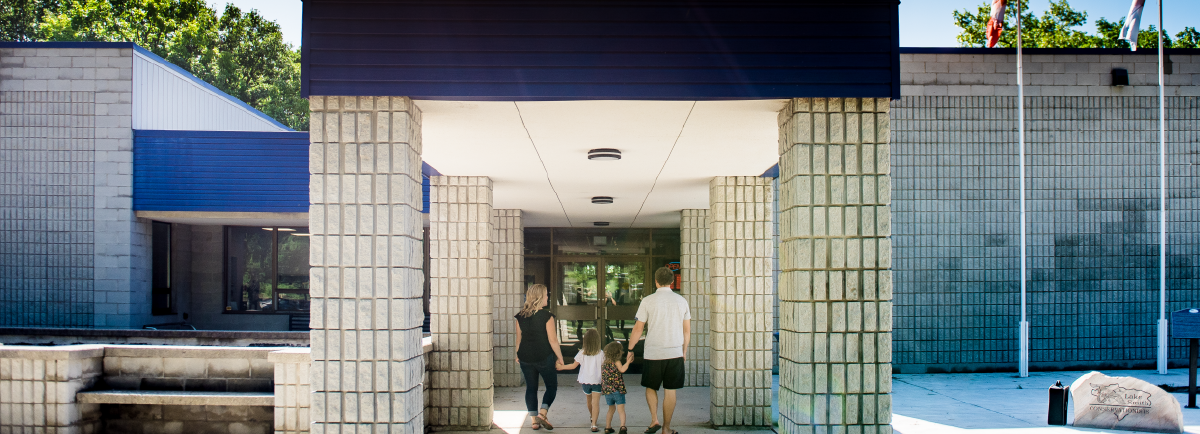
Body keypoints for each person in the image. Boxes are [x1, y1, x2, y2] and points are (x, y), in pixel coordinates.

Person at [627, 267, 690, 434]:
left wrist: (630, 349)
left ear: (656, 281)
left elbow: (638, 328)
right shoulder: (682, 301)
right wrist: (684, 351)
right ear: (672, 282)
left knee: (651, 387)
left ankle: (654, 420)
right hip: (674, 353)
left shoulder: (647, 301)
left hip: (653, 353)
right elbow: (686, 331)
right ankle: (666, 428)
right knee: (670, 391)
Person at [515, 284, 565, 430]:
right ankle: (542, 414)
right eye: (545, 295)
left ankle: (534, 421)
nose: (547, 297)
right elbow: (553, 340)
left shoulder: (520, 316)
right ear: (539, 297)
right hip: (544, 356)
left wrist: (517, 354)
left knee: (531, 388)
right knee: (551, 386)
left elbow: (519, 339)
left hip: (525, 356)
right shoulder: (546, 316)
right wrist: (560, 357)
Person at [556, 329, 604, 432]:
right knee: (596, 403)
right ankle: (594, 424)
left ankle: (592, 416)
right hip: (597, 380)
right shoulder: (601, 353)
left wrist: (562, 367)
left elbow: (573, 366)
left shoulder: (582, 353)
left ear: (585, 341)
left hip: (585, 380)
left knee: (589, 401)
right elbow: (604, 367)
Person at [601, 341, 633, 434]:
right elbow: (622, 369)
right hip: (617, 390)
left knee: (611, 409)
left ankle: (607, 427)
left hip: (608, 391)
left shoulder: (605, 363)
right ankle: (622, 427)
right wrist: (628, 362)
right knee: (621, 409)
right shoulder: (617, 361)